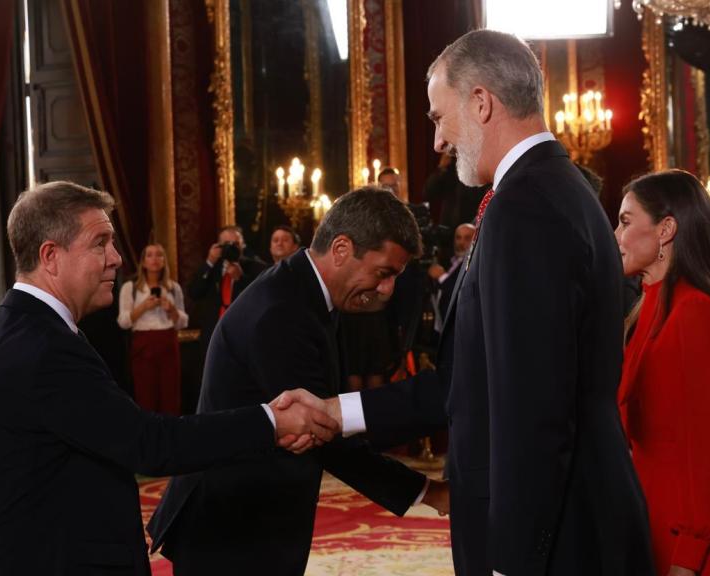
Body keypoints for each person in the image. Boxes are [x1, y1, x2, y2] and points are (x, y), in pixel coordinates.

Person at [280, 29, 654, 575]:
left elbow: (534, 410)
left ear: (481, 102)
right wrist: (340, 413)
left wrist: (512, 560)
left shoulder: (526, 206)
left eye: (437, 116)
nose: (437, 141)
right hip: (572, 520)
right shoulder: (550, 188)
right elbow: (471, 381)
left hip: (555, 540)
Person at [0, 181, 338, 576]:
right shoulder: (43, 347)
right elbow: (150, 443)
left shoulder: (14, 329)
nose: (117, 258)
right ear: (50, 256)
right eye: (100, 243)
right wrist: (272, 421)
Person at [148, 188, 448, 576]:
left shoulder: (302, 291)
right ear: (341, 249)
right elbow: (325, 433)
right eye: (383, 273)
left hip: (251, 517)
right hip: (233, 525)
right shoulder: (282, 312)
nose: (387, 289)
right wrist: (430, 492)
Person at [615, 170, 710, 576]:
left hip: (689, 550)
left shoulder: (695, 311)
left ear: (666, 229)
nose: (615, 233)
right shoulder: (649, 306)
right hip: (653, 528)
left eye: (625, 220)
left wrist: (687, 560)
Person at [186, 226, 267, 411]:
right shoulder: (211, 269)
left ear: (243, 245)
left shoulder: (256, 267)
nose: (230, 248)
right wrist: (209, 261)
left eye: (235, 244)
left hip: (244, 339)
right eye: (226, 244)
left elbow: (262, 299)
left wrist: (241, 279)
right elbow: (194, 292)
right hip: (214, 335)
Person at [117, 243, 187, 414]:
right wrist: (143, 307)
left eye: (159, 255)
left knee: (171, 397)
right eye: (149, 255)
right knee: (145, 396)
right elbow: (123, 322)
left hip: (168, 343)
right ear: (143, 262)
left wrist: (170, 308)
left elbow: (182, 322)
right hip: (144, 345)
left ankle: (171, 437)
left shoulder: (173, 288)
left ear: (164, 261)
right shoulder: (131, 288)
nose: (155, 259)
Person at [428, 222, 474, 332]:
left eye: (467, 238)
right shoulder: (454, 262)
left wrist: (441, 276)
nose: (461, 242)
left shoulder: (474, 264)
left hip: (459, 328)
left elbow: (463, 292)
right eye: (458, 238)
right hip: (445, 325)